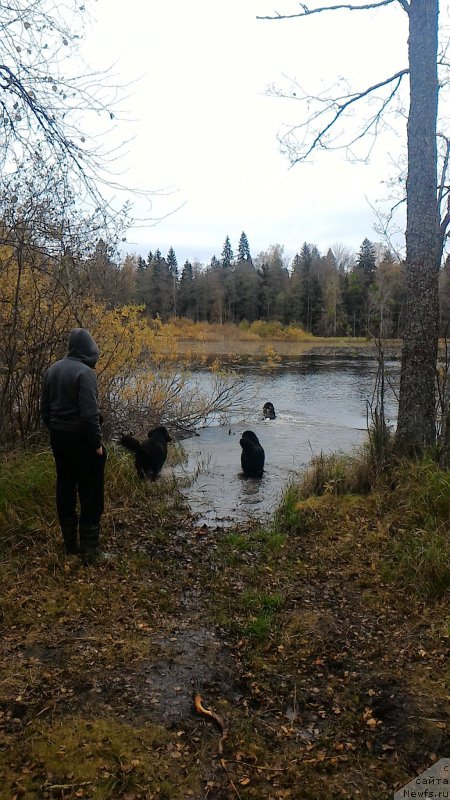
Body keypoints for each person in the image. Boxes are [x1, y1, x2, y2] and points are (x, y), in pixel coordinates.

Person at [40, 328, 106, 564]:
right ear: (88, 350)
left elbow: (45, 411)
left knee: (65, 488)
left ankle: (71, 546)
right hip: (82, 440)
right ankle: (89, 552)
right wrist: (97, 444)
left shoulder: (53, 369)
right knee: (91, 492)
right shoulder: (85, 374)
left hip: (59, 438)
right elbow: (90, 416)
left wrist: (57, 429)